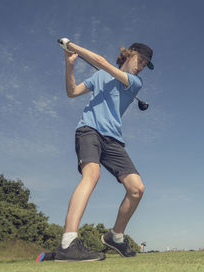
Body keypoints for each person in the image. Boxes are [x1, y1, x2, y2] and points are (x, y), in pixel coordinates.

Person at [55, 38, 154, 262]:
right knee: (92, 175)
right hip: (89, 130)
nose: (141, 66)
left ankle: (115, 236)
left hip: (113, 140)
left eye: (146, 64)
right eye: (140, 59)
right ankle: (68, 242)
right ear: (128, 54)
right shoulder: (100, 76)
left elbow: (100, 61)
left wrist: (72, 45)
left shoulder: (134, 82)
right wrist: (69, 63)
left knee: (137, 189)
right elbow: (72, 92)